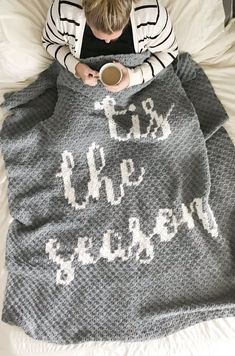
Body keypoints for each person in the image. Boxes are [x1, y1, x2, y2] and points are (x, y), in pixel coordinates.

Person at [42, 0, 178, 92]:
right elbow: (50, 42)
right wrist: (76, 67)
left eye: (115, 37)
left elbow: (169, 51)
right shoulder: (63, 13)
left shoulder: (151, 15)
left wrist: (134, 77)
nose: (107, 42)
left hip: (139, 87)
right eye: (100, 36)